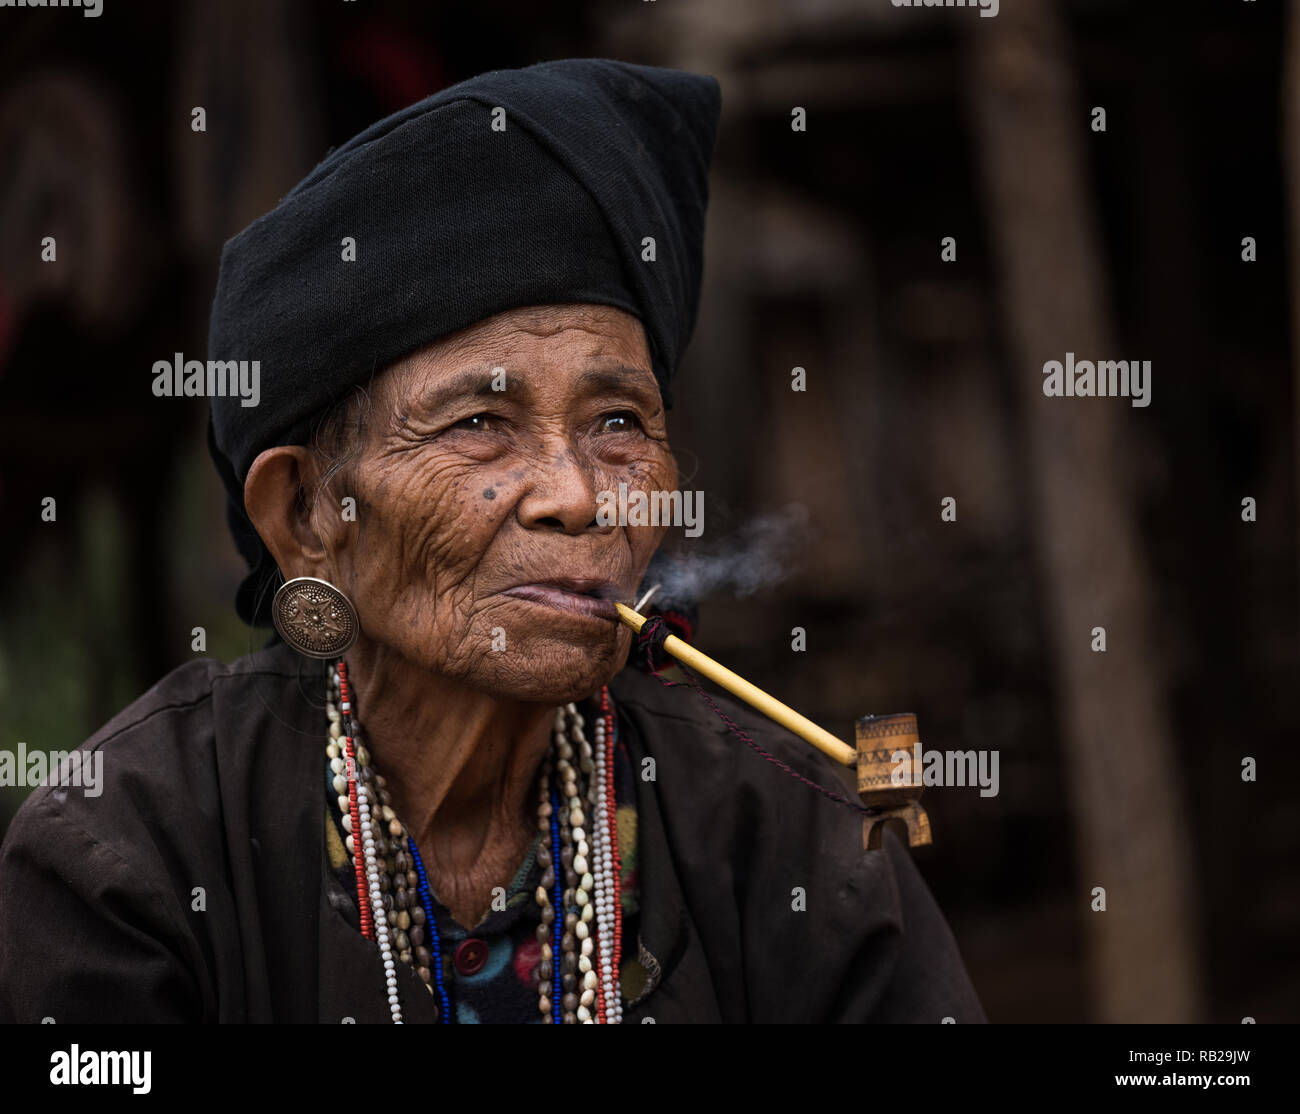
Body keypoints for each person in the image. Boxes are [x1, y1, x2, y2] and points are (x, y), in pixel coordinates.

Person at [0, 58, 985, 1024]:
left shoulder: (788, 834)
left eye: (618, 423)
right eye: (478, 422)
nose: (575, 496)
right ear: (305, 512)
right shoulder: (131, 850)